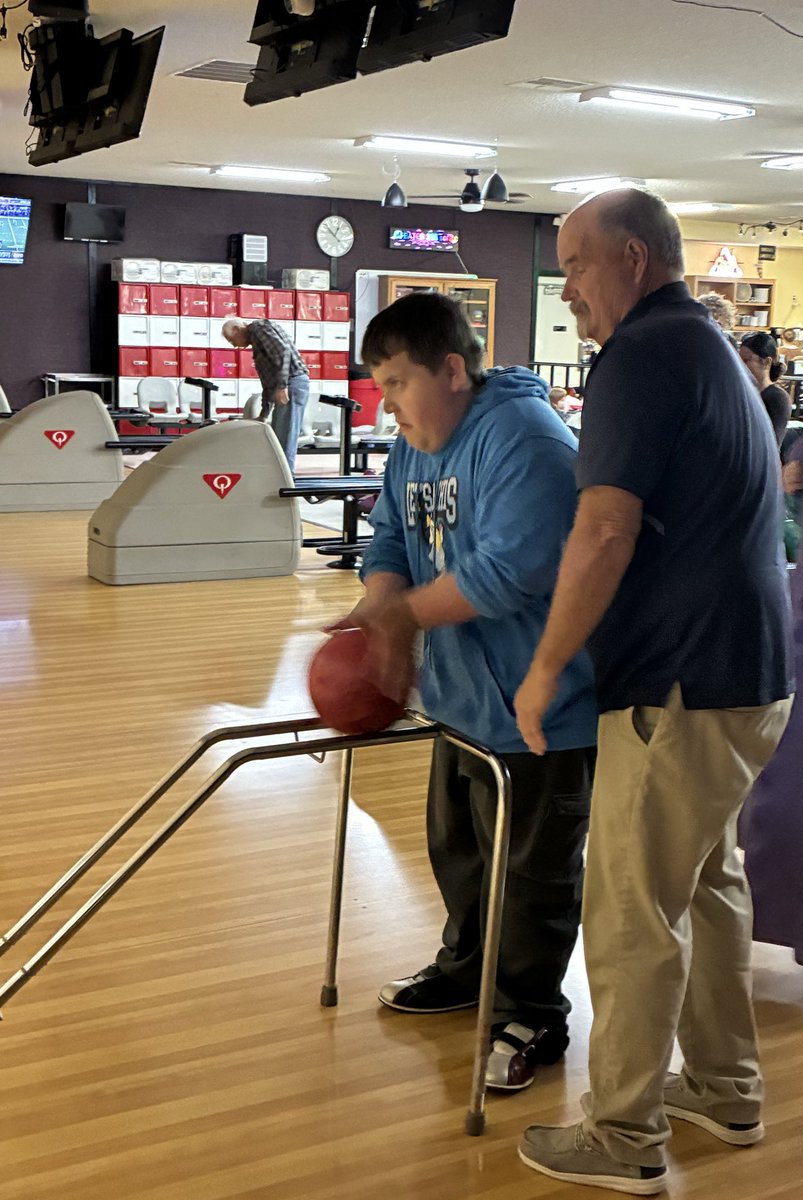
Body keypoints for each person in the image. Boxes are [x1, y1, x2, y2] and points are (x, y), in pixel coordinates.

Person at [513, 188, 794, 1194]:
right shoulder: (707, 347)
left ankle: (624, 1136)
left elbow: (604, 527)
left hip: (679, 681)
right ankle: (727, 1085)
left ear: (633, 258)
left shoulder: (639, 357)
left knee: (633, 909)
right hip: (751, 676)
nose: (569, 288)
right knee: (709, 886)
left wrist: (545, 669)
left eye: (577, 265)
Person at [329, 292, 597, 1091]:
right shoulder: (415, 444)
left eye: (397, 383)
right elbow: (387, 535)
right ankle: (466, 968)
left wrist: (400, 620)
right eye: (377, 385)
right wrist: (380, 603)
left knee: (534, 872)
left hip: (542, 706)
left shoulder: (527, 439)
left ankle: (533, 1014)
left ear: (452, 370)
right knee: (463, 852)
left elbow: (511, 573)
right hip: (459, 701)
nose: (387, 404)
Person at [221, 317, 309, 473]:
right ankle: (280, 478)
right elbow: (268, 380)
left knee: (285, 438)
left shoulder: (259, 328)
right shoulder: (257, 341)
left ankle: (286, 483)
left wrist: (282, 386)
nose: (234, 346)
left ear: (236, 329)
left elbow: (282, 352)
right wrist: (264, 413)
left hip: (291, 383)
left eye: (231, 340)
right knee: (277, 439)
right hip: (286, 383)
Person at [739, 331, 791, 446]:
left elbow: (772, 443)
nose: (741, 366)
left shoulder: (777, 397)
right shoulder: (743, 393)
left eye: (747, 360)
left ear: (767, 362)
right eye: (739, 361)